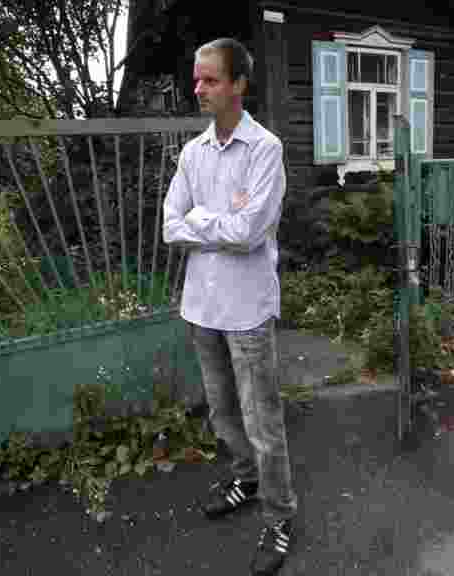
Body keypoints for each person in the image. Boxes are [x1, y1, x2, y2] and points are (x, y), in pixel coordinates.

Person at [162, 37, 297, 575]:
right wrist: (213, 225)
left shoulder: (265, 149)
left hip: (247, 311)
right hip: (202, 307)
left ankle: (279, 516)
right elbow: (170, 225)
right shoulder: (192, 153)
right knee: (222, 413)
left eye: (210, 79)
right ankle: (246, 479)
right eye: (197, 79)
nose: (198, 88)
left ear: (238, 84)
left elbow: (249, 233)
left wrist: (200, 221)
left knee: (263, 422)